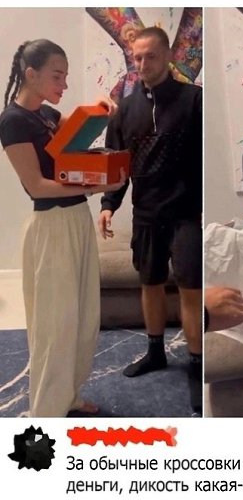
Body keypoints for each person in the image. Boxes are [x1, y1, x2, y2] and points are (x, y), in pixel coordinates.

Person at [0, 39, 126, 418]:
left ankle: (67, 395)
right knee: (54, 326)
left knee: (83, 320)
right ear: (31, 73)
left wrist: (98, 110)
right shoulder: (12, 121)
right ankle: (46, 413)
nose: (64, 84)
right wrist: (96, 187)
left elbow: (71, 152)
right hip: (51, 225)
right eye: (57, 76)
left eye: (66, 76)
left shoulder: (49, 114)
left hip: (76, 220)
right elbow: (37, 186)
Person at [98, 26, 203, 414]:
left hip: (186, 214)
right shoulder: (124, 109)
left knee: (191, 288)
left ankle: (197, 362)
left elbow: (205, 158)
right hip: (145, 213)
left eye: (150, 56)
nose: (142, 64)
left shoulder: (195, 100)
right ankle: (155, 352)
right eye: (137, 57)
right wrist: (109, 204)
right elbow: (116, 164)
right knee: (150, 283)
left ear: (168, 56)